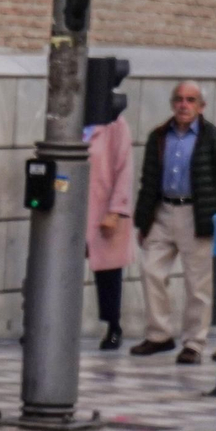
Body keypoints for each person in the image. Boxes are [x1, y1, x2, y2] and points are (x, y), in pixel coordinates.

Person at [131, 80, 216, 365]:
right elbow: (148, 180)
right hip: (162, 211)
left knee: (198, 284)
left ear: (201, 106)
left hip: (196, 215)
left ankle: (194, 343)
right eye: (179, 99)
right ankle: (159, 334)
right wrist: (143, 221)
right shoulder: (159, 136)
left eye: (190, 100)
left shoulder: (215, 139)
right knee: (150, 271)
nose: (183, 105)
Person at [85, 109, 133, 351]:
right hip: (70, 209)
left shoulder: (115, 123)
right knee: (54, 267)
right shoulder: (68, 120)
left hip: (102, 208)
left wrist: (115, 210)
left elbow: (124, 169)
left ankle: (113, 326)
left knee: (108, 273)